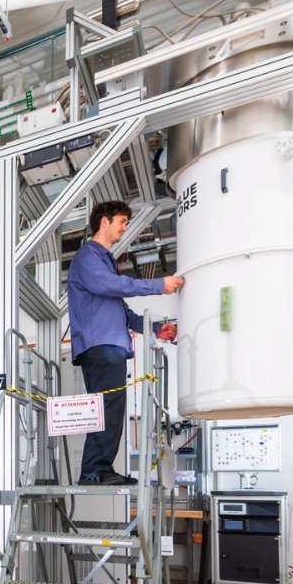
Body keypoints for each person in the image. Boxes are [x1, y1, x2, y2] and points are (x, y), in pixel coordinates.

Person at [67, 200, 184, 486]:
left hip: (109, 346)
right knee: (107, 408)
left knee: (112, 409)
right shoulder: (88, 257)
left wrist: (157, 329)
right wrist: (158, 285)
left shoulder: (102, 263)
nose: (124, 228)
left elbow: (122, 313)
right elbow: (109, 286)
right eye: (121, 221)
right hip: (101, 346)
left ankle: (99, 469)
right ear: (104, 221)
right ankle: (94, 472)